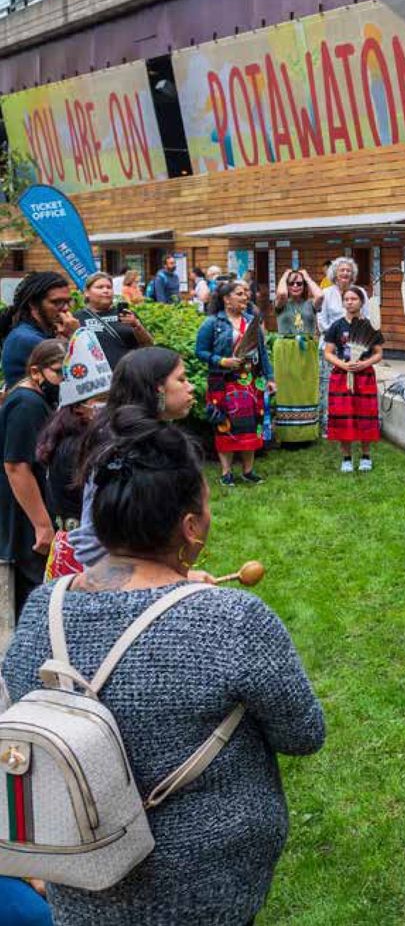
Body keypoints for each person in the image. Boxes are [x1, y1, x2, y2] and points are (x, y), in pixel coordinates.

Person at [1, 413, 325, 925]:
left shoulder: (44, 608)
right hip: (206, 887)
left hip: (82, 871)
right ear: (190, 527)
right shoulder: (232, 619)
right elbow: (303, 733)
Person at [70, 346, 196, 570]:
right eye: (182, 379)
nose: (191, 387)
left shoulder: (147, 437)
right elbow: (91, 540)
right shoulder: (118, 443)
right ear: (157, 389)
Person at [38, 329, 113, 580]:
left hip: (72, 544)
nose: (108, 406)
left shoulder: (64, 436)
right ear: (80, 406)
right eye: (100, 399)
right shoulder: (80, 446)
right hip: (87, 553)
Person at [0, 338, 65, 613]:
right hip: (24, 514)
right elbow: (16, 466)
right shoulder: (27, 404)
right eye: (59, 372)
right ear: (36, 372)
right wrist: (42, 525)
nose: (63, 380)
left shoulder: (32, 398)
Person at [196, 280, 275, 486]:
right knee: (225, 425)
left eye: (246, 293)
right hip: (222, 381)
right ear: (226, 299)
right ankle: (226, 472)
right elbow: (200, 352)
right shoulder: (212, 323)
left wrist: (270, 378)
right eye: (239, 294)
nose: (245, 297)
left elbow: (262, 353)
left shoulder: (252, 322)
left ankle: (248, 471)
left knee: (250, 426)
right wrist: (222, 360)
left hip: (250, 382)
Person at [323, 285, 384, 472]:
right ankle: (346, 458)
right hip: (342, 376)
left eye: (354, 299)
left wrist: (364, 364)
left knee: (365, 416)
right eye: (347, 299)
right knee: (344, 416)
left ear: (361, 302)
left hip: (364, 376)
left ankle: (366, 456)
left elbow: (379, 353)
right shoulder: (337, 326)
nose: (350, 302)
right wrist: (343, 365)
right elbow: (328, 352)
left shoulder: (370, 326)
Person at [272, 267, 324, 444]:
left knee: (307, 388)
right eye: (291, 283)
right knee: (287, 388)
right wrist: (286, 274)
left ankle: (307, 433)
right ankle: (287, 435)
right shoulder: (281, 304)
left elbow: (320, 296)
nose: (295, 285)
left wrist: (307, 276)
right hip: (286, 349)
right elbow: (280, 293)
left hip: (307, 350)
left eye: (299, 283)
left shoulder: (310, 304)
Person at [0, 272, 76, 388]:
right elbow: (78, 375)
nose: (65, 308)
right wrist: (75, 336)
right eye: (56, 302)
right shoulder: (26, 338)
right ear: (33, 304)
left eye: (67, 302)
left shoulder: (40, 332)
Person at [74, 270, 154, 370]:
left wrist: (137, 326)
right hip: (96, 376)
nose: (106, 290)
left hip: (129, 373)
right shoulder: (77, 318)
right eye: (100, 287)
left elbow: (148, 344)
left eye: (109, 287)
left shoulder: (126, 314)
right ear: (86, 293)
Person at [317, 257, 358, 431]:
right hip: (330, 346)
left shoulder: (359, 292)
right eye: (342, 270)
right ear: (335, 273)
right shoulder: (326, 293)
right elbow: (321, 321)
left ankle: (349, 421)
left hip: (353, 348)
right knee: (328, 384)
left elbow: (366, 319)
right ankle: (328, 423)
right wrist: (339, 335)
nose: (345, 273)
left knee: (351, 384)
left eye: (348, 271)